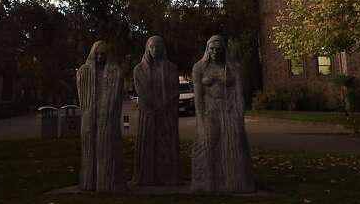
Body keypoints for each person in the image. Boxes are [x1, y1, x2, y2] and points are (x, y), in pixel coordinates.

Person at [190, 35, 256, 193]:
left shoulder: (234, 67)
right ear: (207, 49)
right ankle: (207, 183)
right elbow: (198, 98)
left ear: (224, 49)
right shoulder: (199, 68)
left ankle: (235, 182)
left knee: (234, 144)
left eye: (218, 49)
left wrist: (240, 115)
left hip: (229, 108)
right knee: (208, 145)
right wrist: (201, 121)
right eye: (211, 48)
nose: (215, 52)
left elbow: (240, 94)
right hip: (209, 109)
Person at [76, 40, 126, 192]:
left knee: (107, 145)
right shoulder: (84, 71)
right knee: (89, 148)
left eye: (103, 55)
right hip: (89, 115)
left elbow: (116, 97)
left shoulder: (115, 72)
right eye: (96, 54)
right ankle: (88, 181)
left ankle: (107, 181)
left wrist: (108, 111)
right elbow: (82, 97)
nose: (99, 58)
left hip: (107, 116)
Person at [132, 36, 180, 185]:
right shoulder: (139, 69)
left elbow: (174, 90)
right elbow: (142, 91)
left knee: (166, 145)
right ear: (147, 48)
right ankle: (146, 177)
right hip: (149, 114)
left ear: (163, 49)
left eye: (158, 47)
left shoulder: (171, 68)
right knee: (148, 145)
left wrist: (165, 105)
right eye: (152, 47)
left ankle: (169, 177)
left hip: (166, 114)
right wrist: (155, 106)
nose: (155, 50)